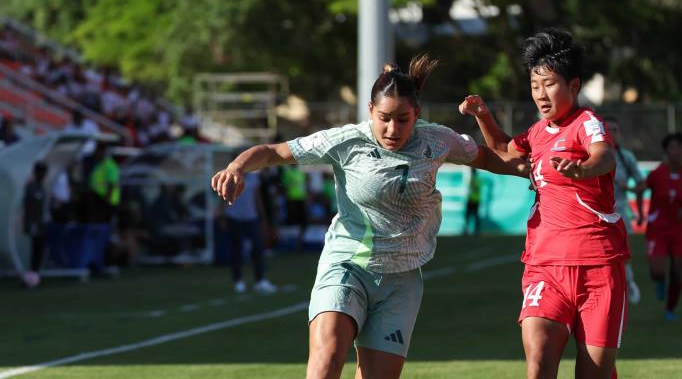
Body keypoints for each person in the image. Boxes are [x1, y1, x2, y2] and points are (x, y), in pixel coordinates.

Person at [210, 54, 526, 379]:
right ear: (371, 112)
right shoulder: (346, 141)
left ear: (417, 114)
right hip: (348, 265)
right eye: (385, 118)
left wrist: (542, 172)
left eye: (403, 119)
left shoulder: (438, 139)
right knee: (326, 361)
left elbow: (494, 159)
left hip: (401, 279)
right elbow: (275, 151)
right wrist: (237, 166)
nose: (393, 128)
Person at [459, 28, 629, 379]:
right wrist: (482, 115)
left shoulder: (587, 123)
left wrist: (583, 170)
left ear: (574, 86)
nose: (540, 94)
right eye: (535, 86)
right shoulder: (537, 133)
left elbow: (605, 156)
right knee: (537, 362)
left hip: (599, 268)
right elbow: (506, 151)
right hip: (545, 267)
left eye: (549, 84)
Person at [638, 132, 682, 322]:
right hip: (658, 227)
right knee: (657, 270)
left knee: (677, 271)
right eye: (672, 147)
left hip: (680, 229)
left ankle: (670, 308)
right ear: (666, 151)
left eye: (680, 147)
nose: (676, 151)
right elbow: (641, 189)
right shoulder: (657, 174)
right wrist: (637, 205)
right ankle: (659, 282)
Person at [604, 116, 645, 304]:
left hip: (620, 212)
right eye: (608, 129)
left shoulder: (625, 157)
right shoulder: (590, 153)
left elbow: (641, 184)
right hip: (597, 214)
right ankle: (607, 289)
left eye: (615, 130)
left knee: (621, 251)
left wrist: (627, 189)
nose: (611, 133)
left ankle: (629, 283)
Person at [219, 171, 276, 294]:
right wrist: (222, 215)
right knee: (236, 250)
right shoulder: (229, 175)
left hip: (251, 217)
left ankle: (260, 280)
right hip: (233, 217)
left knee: (257, 248)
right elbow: (223, 196)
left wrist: (263, 217)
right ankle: (238, 280)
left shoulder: (254, 177)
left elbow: (257, 197)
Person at [22, 162, 49, 288]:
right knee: (36, 249)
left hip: (39, 224)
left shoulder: (40, 186)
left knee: (39, 250)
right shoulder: (32, 187)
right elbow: (30, 208)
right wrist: (31, 223)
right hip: (34, 224)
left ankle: (35, 276)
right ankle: (31, 278)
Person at [464, 167, 481, 235]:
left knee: (470, 216)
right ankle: (474, 230)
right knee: (473, 216)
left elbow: (475, 189)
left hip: (473, 200)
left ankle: (474, 230)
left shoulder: (474, 180)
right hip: (475, 200)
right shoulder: (477, 179)